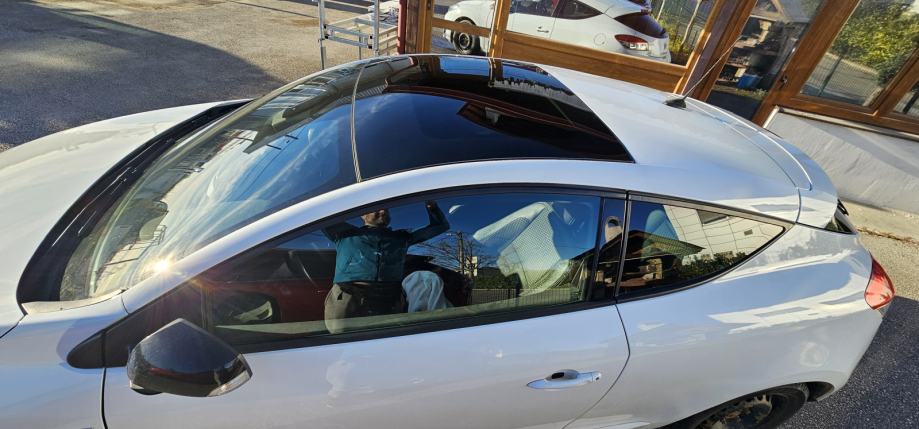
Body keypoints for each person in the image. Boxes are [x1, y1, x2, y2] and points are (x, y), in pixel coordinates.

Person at [322, 201, 449, 332]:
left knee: (389, 337)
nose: (383, 211)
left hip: (389, 298)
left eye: (386, 210)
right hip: (348, 295)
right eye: (377, 209)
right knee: (341, 337)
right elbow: (320, 212)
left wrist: (432, 207)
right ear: (363, 214)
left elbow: (441, 226)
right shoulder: (344, 233)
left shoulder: (402, 237)